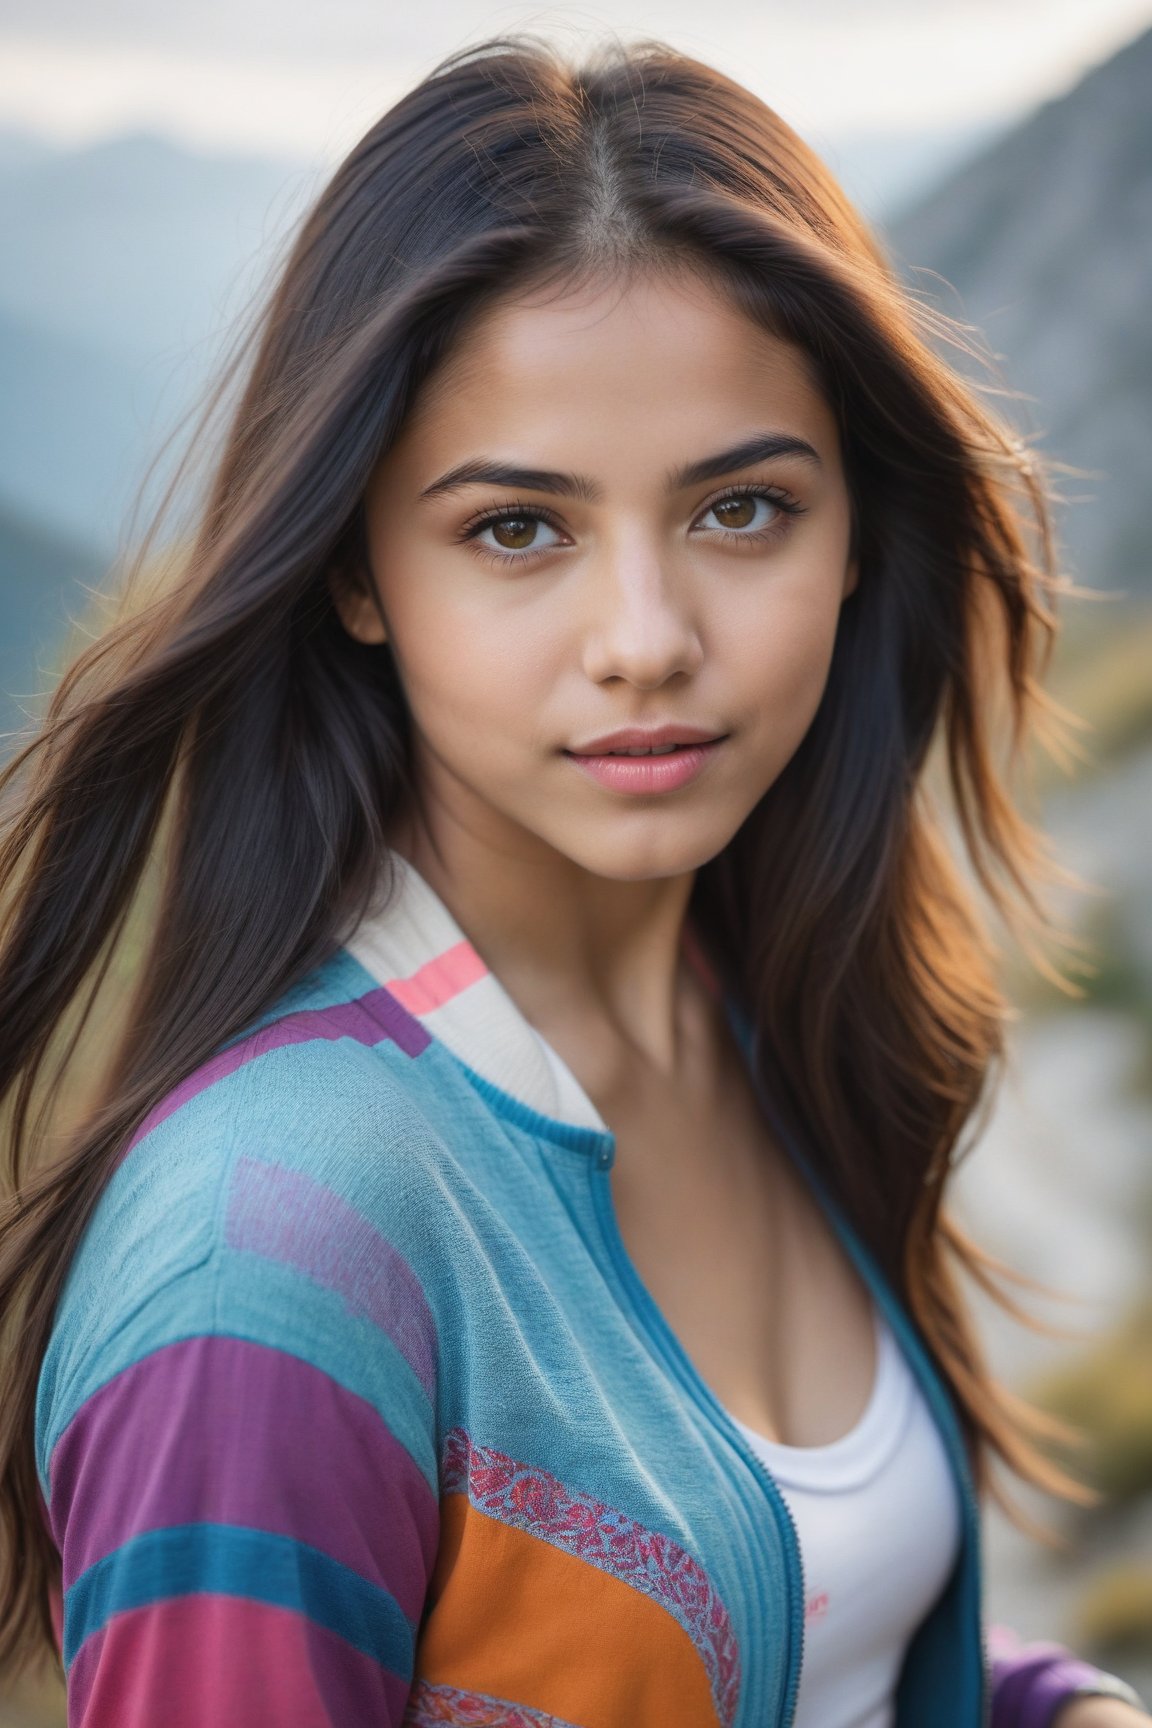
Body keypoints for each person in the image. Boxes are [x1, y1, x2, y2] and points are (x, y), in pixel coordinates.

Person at [0, 32, 1147, 1728]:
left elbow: (796, 1643)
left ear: (854, 540)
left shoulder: (772, 1002)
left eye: (743, 511)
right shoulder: (271, 1258)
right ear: (356, 572)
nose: (647, 642)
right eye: (517, 530)